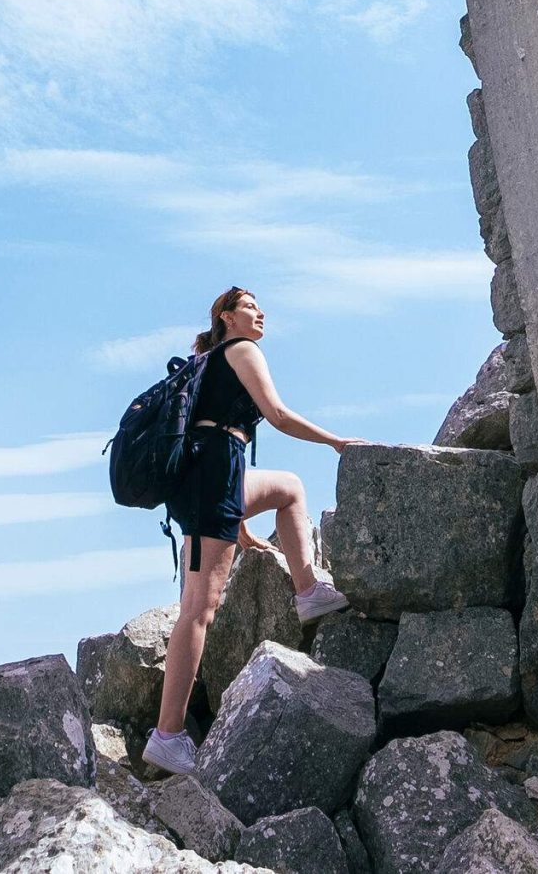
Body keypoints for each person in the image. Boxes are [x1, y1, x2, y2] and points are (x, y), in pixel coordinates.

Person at [142, 286, 358, 777]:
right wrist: (336, 442)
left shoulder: (208, 359)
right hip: (213, 481)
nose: (260, 314)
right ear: (226, 317)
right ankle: (168, 735)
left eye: (261, 308)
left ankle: (309, 591)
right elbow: (277, 414)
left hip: (208, 481)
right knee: (199, 609)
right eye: (250, 307)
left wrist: (237, 528)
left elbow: (209, 438)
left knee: (289, 487)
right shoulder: (240, 350)